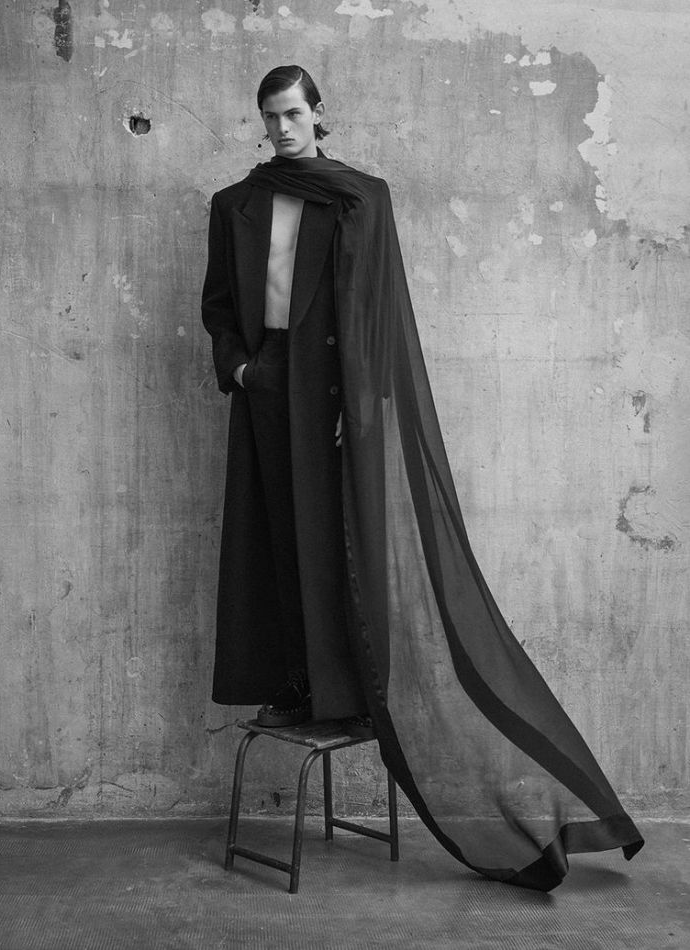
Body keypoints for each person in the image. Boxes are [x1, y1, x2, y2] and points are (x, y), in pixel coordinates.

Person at [203, 65, 644, 891]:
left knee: (337, 543)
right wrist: (241, 369)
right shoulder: (236, 204)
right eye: (269, 117)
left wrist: (360, 407)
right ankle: (296, 681)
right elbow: (221, 305)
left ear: (320, 114)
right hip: (265, 391)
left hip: (334, 393)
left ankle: (348, 685)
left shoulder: (360, 198)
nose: (281, 129)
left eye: (293, 114)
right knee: (274, 540)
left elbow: (377, 314)